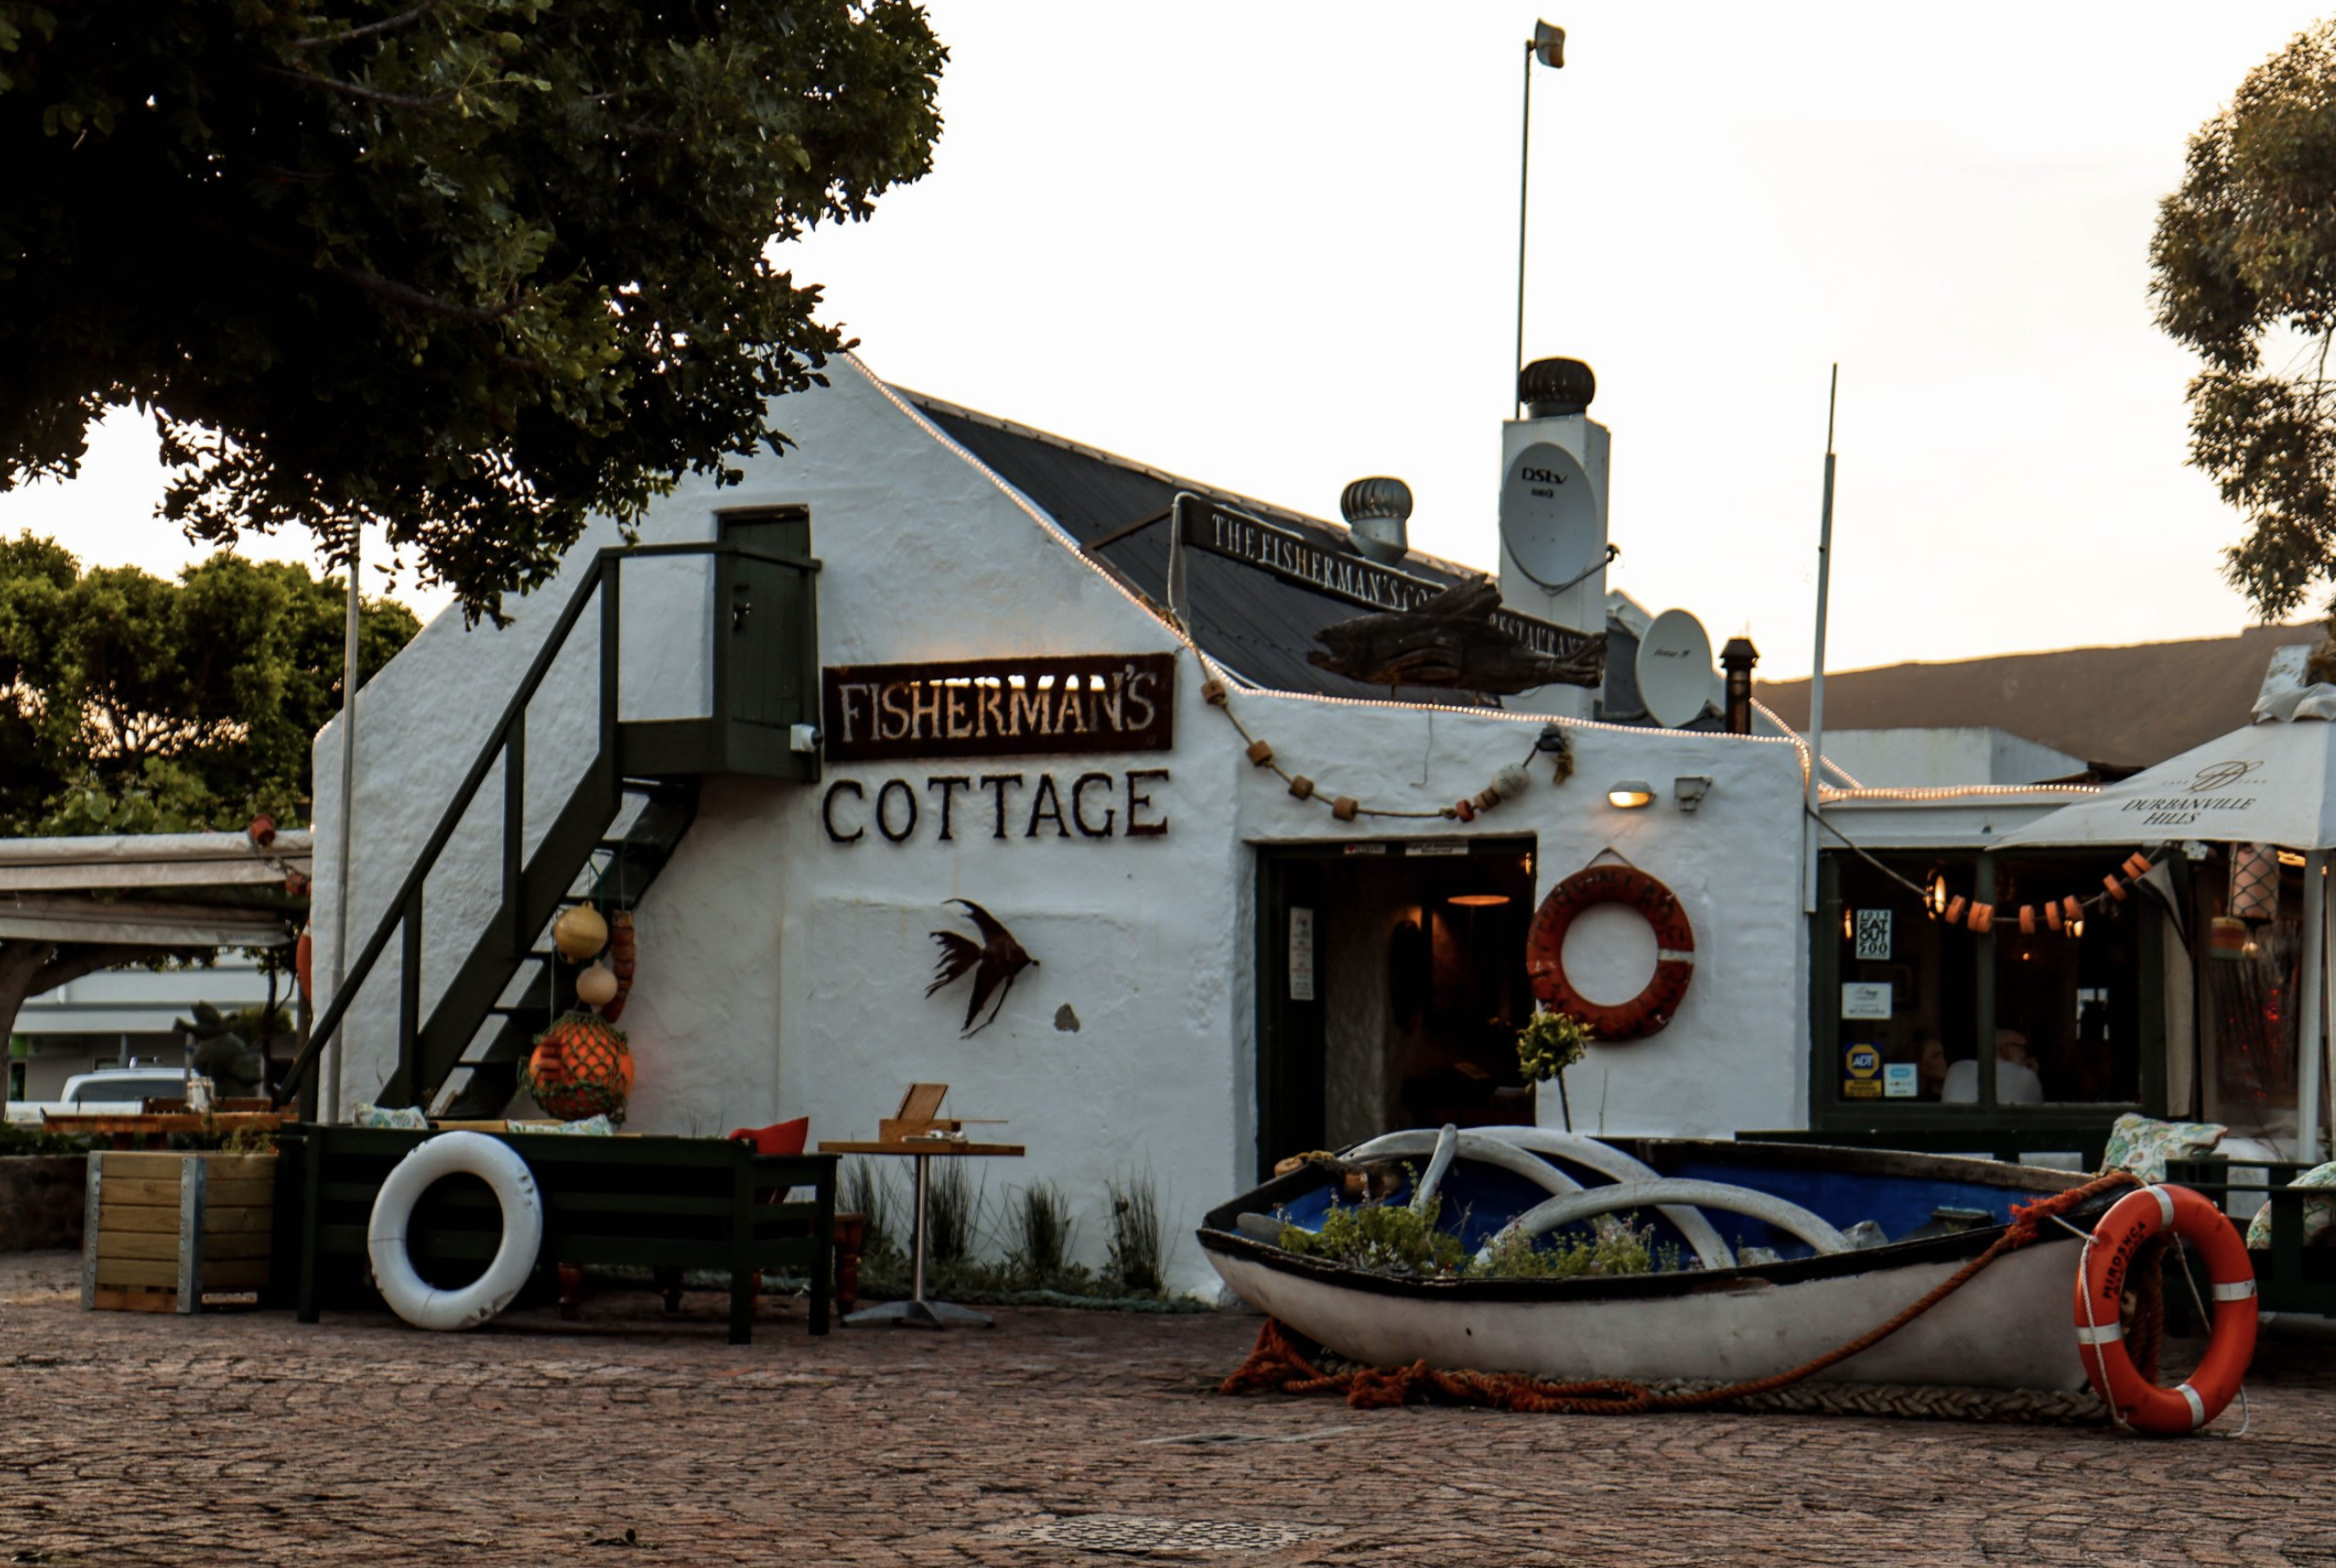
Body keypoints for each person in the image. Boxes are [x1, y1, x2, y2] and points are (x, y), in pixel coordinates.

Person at [1940, 1028, 2044, 1104]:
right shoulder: (2025, 1077)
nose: (2027, 1056)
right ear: (2006, 1050)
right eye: (2024, 1049)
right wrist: (2031, 1075)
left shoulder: (1957, 1069)